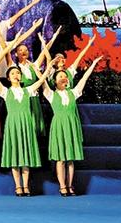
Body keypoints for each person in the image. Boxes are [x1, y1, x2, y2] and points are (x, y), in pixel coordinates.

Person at [0, 63, 51, 197]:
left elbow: (41, 81)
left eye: (17, 73)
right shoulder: (5, 91)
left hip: (26, 124)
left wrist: (48, 66)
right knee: (15, 153)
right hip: (13, 125)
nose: (16, 75)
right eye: (12, 73)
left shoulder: (28, 90)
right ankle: (18, 186)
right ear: (8, 78)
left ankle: (26, 185)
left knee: (25, 153)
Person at [43, 56, 103, 196]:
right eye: (60, 76)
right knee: (61, 159)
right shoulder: (51, 94)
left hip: (71, 126)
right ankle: (62, 186)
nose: (64, 78)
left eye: (65, 76)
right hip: (59, 127)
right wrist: (49, 65)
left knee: (70, 159)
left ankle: (70, 185)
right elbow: (43, 80)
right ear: (55, 81)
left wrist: (93, 63)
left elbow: (84, 79)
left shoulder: (73, 92)